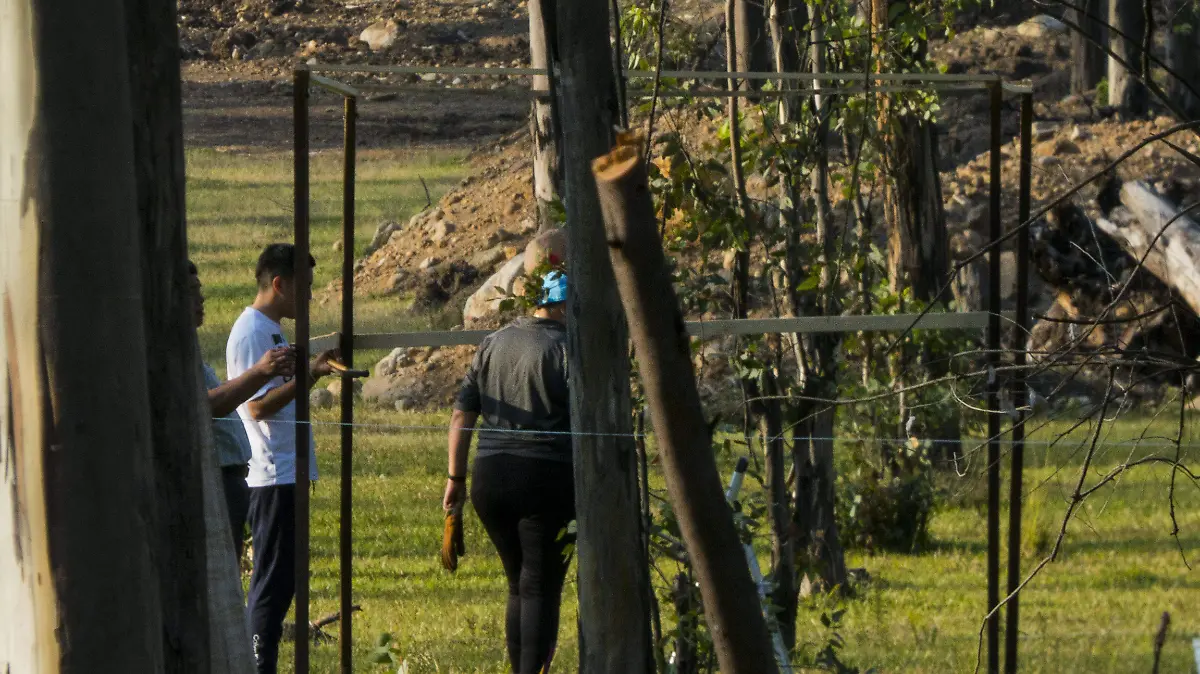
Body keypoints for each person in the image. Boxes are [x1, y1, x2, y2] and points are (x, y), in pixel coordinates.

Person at [443, 271, 574, 674]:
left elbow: (462, 414)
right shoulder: (568, 349)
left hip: (490, 479)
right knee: (539, 585)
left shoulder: (492, 343)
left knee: (517, 583)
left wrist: (455, 480)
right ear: (566, 306)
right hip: (545, 479)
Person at [227, 243, 336, 674]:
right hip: (271, 476)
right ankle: (259, 664)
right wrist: (309, 376)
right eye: (304, 287)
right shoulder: (252, 331)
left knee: (284, 580)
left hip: (289, 473)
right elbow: (256, 406)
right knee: (271, 585)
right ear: (279, 283)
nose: (309, 297)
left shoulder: (272, 328)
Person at [189, 260, 295, 561]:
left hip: (234, 479)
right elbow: (208, 406)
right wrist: (261, 372)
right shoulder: (250, 332)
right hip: (223, 480)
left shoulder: (189, 347)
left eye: (200, 290)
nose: (201, 299)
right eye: (191, 291)